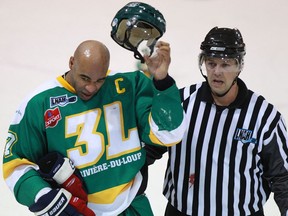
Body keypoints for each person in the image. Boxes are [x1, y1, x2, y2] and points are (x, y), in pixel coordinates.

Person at [2, 38, 186, 215]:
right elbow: (15, 165)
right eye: (85, 78)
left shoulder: (129, 85)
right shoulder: (39, 103)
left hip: (132, 207)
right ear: (71, 62)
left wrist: (162, 80)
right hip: (75, 209)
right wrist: (45, 197)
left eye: (100, 80)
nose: (91, 88)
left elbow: (169, 134)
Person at [147, 26, 288, 216]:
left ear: (239, 66)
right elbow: (152, 146)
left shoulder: (264, 116)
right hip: (182, 211)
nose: (217, 72)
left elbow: (283, 177)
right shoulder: (182, 102)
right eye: (211, 63)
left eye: (225, 64)